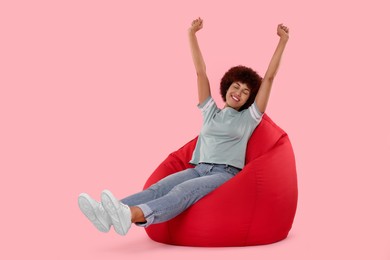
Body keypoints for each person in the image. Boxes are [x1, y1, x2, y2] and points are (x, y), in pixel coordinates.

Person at [78, 17, 289, 236]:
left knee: (181, 192)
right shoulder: (211, 113)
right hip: (199, 168)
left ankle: (131, 215)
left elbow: (269, 79)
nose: (239, 92)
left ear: (249, 99)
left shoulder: (249, 118)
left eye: (246, 92)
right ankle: (105, 214)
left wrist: (282, 41)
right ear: (226, 87)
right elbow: (200, 72)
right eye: (236, 86)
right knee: (157, 188)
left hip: (225, 173)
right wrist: (191, 34)